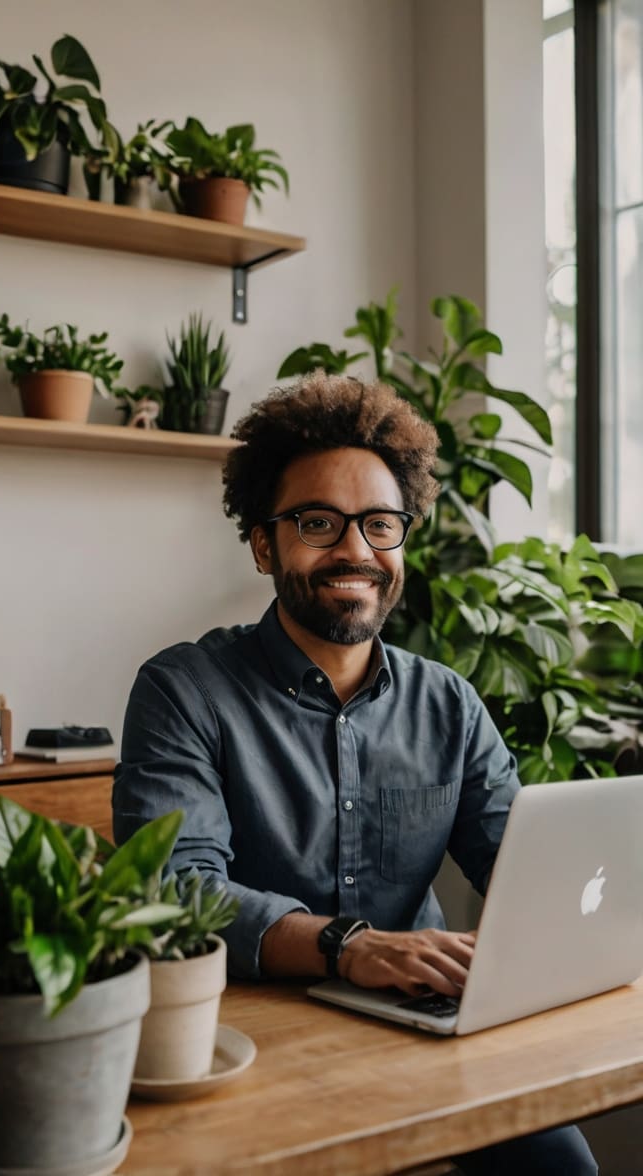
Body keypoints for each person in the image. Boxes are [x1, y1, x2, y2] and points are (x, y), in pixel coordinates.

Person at [113, 372, 598, 1175]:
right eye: (318, 523)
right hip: (250, 1039)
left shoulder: (448, 703)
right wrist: (349, 946)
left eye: (380, 525)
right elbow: (175, 888)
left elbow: (526, 866)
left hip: (422, 1024)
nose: (355, 552)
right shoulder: (183, 690)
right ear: (265, 542)